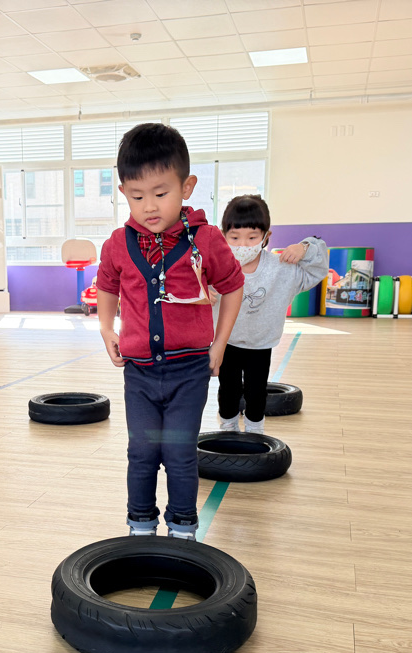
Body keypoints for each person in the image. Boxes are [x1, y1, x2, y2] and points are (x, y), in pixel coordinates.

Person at [96, 123, 244, 540]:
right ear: (123, 191)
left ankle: (182, 528)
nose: (149, 206)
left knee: (179, 452)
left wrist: (220, 344)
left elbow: (233, 286)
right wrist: (106, 328)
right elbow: (106, 285)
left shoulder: (206, 239)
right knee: (142, 451)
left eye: (161, 193)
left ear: (187, 187)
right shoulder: (117, 243)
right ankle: (140, 525)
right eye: (136, 196)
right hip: (140, 373)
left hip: (188, 372)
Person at [212, 195, 329, 434]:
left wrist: (305, 247)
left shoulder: (281, 268)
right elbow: (188, 281)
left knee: (256, 391)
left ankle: (255, 431)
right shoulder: (216, 267)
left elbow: (318, 270)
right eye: (235, 237)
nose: (243, 245)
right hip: (226, 342)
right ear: (223, 235)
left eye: (252, 237)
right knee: (228, 389)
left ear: (266, 237)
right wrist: (201, 289)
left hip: (261, 343)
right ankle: (227, 428)